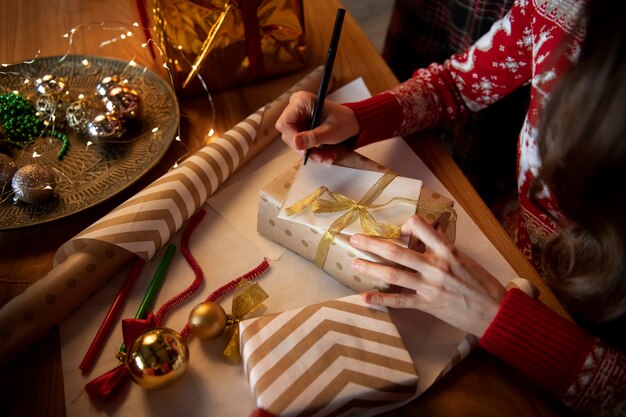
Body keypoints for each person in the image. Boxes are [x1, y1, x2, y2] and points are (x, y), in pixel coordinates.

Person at [275, 0, 626, 415]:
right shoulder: (562, 5)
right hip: (502, 251)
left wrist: (500, 316)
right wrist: (358, 117)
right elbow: (458, 85)